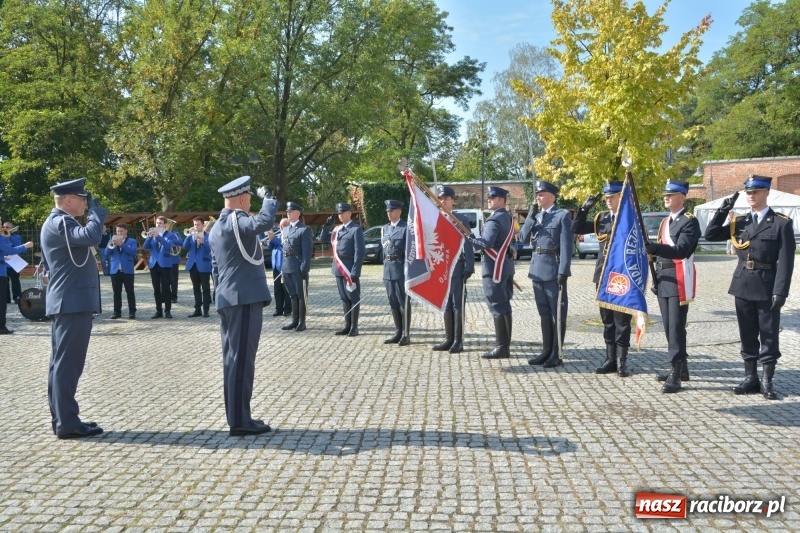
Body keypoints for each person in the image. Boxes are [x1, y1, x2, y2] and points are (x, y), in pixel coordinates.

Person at [704, 175, 795, 400]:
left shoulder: (781, 223)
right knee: (747, 333)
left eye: (756, 192)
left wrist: (780, 291)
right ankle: (750, 377)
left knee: (768, 334)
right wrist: (723, 210)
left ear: (766, 193)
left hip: (767, 286)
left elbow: (786, 261)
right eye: (749, 192)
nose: (751, 196)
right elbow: (710, 235)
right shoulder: (740, 222)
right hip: (743, 284)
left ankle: (767, 380)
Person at [209, 175, 278, 436]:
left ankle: (238, 416)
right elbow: (264, 222)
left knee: (233, 359)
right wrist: (269, 199)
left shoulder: (217, 226)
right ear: (241, 199)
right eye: (249, 199)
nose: (250, 204)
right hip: (243, 297)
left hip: (229, 298)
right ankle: (240, 421)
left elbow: (216, 268)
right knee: (241, 361)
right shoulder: (236, 220)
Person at [40, 178, 107, 438]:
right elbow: (91, 237)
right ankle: (67, 423)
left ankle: (64, 418)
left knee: (62, 364)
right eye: (82, 199)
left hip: (69, 301)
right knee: (68, 365)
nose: (85, 204)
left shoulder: (60, 222)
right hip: (71, 302)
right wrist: (96, 215)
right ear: (68, 200)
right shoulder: (61, 222)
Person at [645, 179, 701, 394]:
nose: (666, 198)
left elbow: (681, 251)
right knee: (669, 326)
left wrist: (656, 247)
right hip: (664, 278)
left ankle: (675, 374)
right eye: (665, 195)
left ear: (682, 197)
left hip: (678, 278)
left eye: (671, 194)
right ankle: (681, 368)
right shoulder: (665, 221)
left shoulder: (690, 222)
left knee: (676, 327)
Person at [571, 181, 632, 376]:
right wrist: (583, 209)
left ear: (621, 197)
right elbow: (577, 228)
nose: (608, 200)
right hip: (603, 275)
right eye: (606, 197)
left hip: (621, 276)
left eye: (612, 197)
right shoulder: (602, 218)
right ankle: (610, 359)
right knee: (607, 320)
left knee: (622, 320)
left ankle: (622, 361)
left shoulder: (630, 218)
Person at [520, 180, 574, 368]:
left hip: (553, 270)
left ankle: (557, 353)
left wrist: (564, 271)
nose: (538, 197)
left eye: (541, 194)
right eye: (537, 194)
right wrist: (530, 217)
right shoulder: (536, 216)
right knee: (544, 314)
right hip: (536, 270)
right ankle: (546, 350)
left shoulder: (562, 216)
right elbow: (523, 238)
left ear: (551, 196)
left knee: (557, 314)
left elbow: (567, 246)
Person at [470, 187, 515, 359]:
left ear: (502, 200)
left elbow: (486, 243)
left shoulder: (494, 219)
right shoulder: (508, 217)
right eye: (489, 197)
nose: (489, 199)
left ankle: (501, 347)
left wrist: (469, 241)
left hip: (494, 268)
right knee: (504, 305)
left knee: (496, 305)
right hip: (505, 266)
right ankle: (505, 345)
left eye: (493, 197)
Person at [432, 185, 474, 353]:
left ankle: (458, 340)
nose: (443, 201)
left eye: (446, 198)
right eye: (441, 198)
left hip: (456, 266)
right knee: (446, 303)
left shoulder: (460, 219)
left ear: (453, 201)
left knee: (457, 304)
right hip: (441, 267)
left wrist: (469, 265)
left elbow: (468, 242)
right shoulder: (435, 218)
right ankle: (449, 338)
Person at [319, 203, 365, 336]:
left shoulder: (355, 229)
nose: (340, 215)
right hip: (338, 268)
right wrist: (327, 225)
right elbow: (323, 239)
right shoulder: (336, 230)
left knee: (353, 297)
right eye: (339, 213)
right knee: (344, 298)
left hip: (349, 269)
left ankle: (354, 327)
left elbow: (359, 252)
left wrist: (355, 271)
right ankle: (347, 325)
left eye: (343, 212)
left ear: (350, 213)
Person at [382, 199, 411, 346]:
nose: (389, 213)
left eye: (391, 210)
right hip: (388, 269)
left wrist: (408, 271)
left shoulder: (406, 228)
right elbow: (384, 251)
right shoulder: (385, 229)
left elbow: (410, 252)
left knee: (403, 302)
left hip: (400, 269)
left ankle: (406, 333)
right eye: (388, 211)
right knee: (393, 301)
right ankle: (398, 331)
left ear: (399, 211)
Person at [280, 202, 313, 332]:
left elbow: (307, 251)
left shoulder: (304, 230)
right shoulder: (286, 229)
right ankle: (294, 320)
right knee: (292, 294)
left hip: (298, 265)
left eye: (291, 211)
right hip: (287, 265)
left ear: (298, 213)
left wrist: (305, 267)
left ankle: (301, 322)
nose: (288, 213)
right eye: (287, 211)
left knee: (301, 294)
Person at [1, 217, 34, 334]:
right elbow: (9, 250)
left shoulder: (10, 236)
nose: (2, 227)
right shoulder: (2, 237)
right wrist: (26, 245)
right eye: (1, 225)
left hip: (6, 266)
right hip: (1, 270)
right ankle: (1, 327)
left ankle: (16, 297)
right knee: (1, 301)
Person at [143, 216, 180, 319]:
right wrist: (149, 237)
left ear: (165, 225)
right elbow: (145, 246)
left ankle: (167, 311)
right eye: (157, 223)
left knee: (166, 288)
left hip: (165, 264)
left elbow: (168, 246)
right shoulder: (152, 235)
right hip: (154, 264)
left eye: (160, 223)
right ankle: (158, 310)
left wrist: (158, 236)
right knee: (156, 289)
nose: (158, 225)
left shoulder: (170, 235)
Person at [183, 217, 213, 318]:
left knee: (205, 288)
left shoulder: (208, 236)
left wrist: (204, 242)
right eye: (194, 224)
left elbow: (211, 250)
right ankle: (197, 310)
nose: (196, 226)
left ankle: (206, 310)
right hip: (193, 265)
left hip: (204, 265)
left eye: (198, 224)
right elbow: (185, 246)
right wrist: (188, 236)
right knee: (196, 288)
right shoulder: (191, 236)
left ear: (203, 225)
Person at [107, 223, 138, 319]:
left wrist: (123, 245)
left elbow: (132, 252)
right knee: (116, 292)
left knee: (130, 292)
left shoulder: (132, 241)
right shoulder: (111, 241)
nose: (119, 233)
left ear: (126, 231)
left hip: (127, 270)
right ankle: (117, 312)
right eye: (117, 231)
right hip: (115, 270)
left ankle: (132, 312)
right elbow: (106, 253)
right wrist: (112, 244)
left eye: (121, 231)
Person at [266, 218, 292, 317]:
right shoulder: (277, 236)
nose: (281, 227)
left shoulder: (289, 236)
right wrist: (270, 239)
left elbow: (284, 245)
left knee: (286, 289)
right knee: (277, 289)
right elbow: (270, 246)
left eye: (284, 225)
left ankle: (288, 309)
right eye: (280, 225)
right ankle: (278, 309)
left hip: (285, 267)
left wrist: (274, 239)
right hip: (276, 267)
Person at [3, 220, 24, 303]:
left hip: (13, 263)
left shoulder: (16, 237)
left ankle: (17, 297)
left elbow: (19, 247)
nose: (5, 228)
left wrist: (9, 237)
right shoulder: (1, 237)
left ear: (12, 228)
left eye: (7, 227)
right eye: (4, 227)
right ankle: (6, 298)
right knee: (4, 282)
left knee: (15, 281)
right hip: (4, 263)